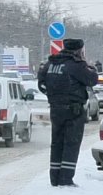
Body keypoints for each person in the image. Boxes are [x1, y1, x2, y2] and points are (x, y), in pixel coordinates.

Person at [37, 38, 98, 187]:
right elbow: (92, 80)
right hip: (73, 110)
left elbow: (41, 83)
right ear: (79, 50)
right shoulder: (76, 66)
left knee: (56, 143)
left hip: (55, 110)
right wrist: (93, 69)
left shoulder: (51, 64)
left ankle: (55, 177)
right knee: (71, 144)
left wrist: (55, 96)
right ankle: (66, 179)